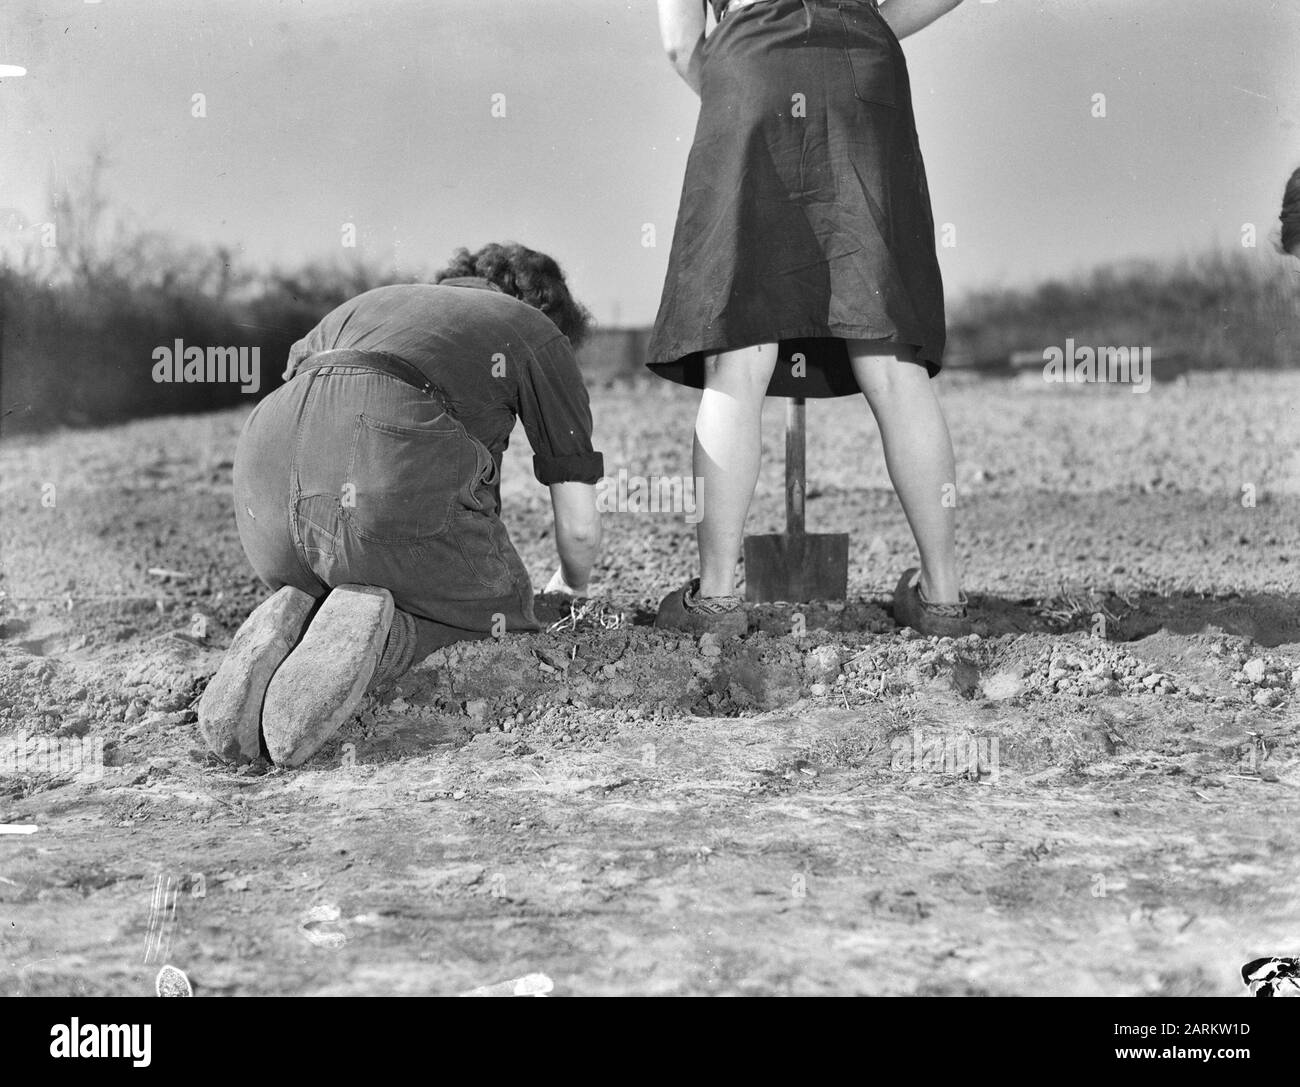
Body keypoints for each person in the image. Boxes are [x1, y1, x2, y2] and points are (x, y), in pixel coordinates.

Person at [199, 243, 604, 767]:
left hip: (263, 498)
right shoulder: (530, 326)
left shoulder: (363, 304)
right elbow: (578, 525)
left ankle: (297, 616)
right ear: (551, 309)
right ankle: (391, 640)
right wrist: (571, 586)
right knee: (502, 615)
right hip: (382, 475)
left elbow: (314, 418)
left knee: (368, 553)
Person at [647, 0, 968, 638]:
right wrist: (854, 24)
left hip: (750, 69)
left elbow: (683, 46)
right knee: (889, 349)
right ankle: (943, 598)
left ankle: (713, 601)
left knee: (737, 352)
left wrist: (749, 81)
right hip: (862, 68)